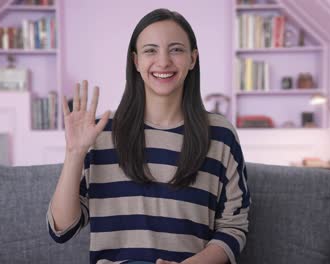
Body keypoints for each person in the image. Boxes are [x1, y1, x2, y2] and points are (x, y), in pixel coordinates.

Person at [47, 8, 250, 264]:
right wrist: (74, 154)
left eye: (176, 49)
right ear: (136, 61)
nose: (163, 61)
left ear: (193, 59)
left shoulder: (220, 135)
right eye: (150, 50)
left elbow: (234, 227)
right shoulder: (98, 134)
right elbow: (62, 229)